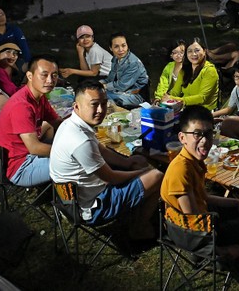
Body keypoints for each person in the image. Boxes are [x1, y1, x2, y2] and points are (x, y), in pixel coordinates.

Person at [49, 80, 163, 242]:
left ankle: (135, 211)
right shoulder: (80, 141)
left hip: (72, 199)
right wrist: (141, 173)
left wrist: (128, 163)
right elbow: (111, 177)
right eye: (94, 105)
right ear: (77, 106)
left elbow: (100, 149)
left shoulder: (70, 124)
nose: (101, 110)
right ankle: (139, 227)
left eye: (104, 103)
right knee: (157, 176)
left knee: (136, 160)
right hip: (94, 208)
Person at [160, 106, 239, 259]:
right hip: (200, 235)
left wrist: (235, 203)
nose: (204, 140)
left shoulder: (190, 161)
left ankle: (237, 242)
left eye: (208, 134)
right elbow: (193, 218)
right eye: (197, 134)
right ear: (182, 138)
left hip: (193, 226)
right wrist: (217, 241)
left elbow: (202, 197)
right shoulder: (181, 169)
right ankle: (232, 253)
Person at [0, 55, 63, 187]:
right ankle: (76, 203)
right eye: (44, 75)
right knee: (79, 161)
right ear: (30, 76)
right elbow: (34, 148)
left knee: (48, 126)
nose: (50, 80)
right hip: (21, 167)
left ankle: (51, 183)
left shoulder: (39, 96)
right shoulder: (21, 105)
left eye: (54, 75)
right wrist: (68, 150)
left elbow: (57, 123)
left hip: (29, 152)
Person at [164, 38, 219, 111]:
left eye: (197, 50)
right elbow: (175, 91)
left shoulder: (209, 70)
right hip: (187, 109)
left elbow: (202, 98)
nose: (193, 54)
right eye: (189, 51)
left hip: (205, 111)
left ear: (204, 51)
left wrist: (176, 99)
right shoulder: (185, 69)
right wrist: (166, 99)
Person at [103, 32, 149, 108]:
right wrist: (99, 83)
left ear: (127, 46)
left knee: (101, 95)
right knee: (96, 92)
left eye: (123, 45)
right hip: (121, 92)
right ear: (111, 48)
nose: (121, 49)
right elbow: (110, 79)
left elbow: (122, 85)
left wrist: (104, 86)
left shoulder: (132, 62)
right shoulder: (115, 58)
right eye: (116, 47)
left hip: (136, 96)